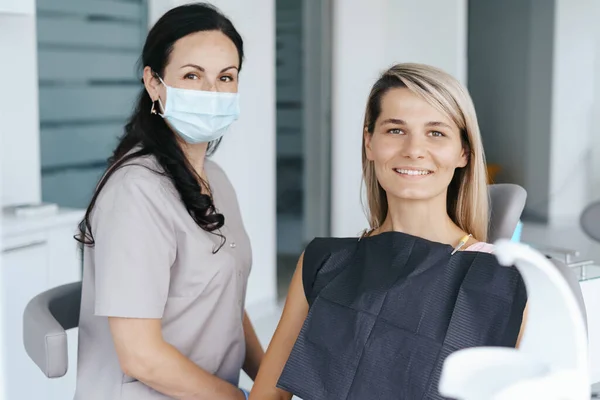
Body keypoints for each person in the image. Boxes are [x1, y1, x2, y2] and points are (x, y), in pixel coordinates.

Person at [250, 63, 528, 400]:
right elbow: (268, 395)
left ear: (463, 152)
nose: (413, 149)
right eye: (395, 130)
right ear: (369, 142)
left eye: (436, 132)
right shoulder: (324, 261)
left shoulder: (504, 279)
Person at [73, 3, 263, 399]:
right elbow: (141, 357)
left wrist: (271, 382)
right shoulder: (135, 191)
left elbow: (224, 298)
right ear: (154, 83)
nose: (212, 92)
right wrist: (239, 398)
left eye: (226, 77)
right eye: (192, 75)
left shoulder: (217, 179)